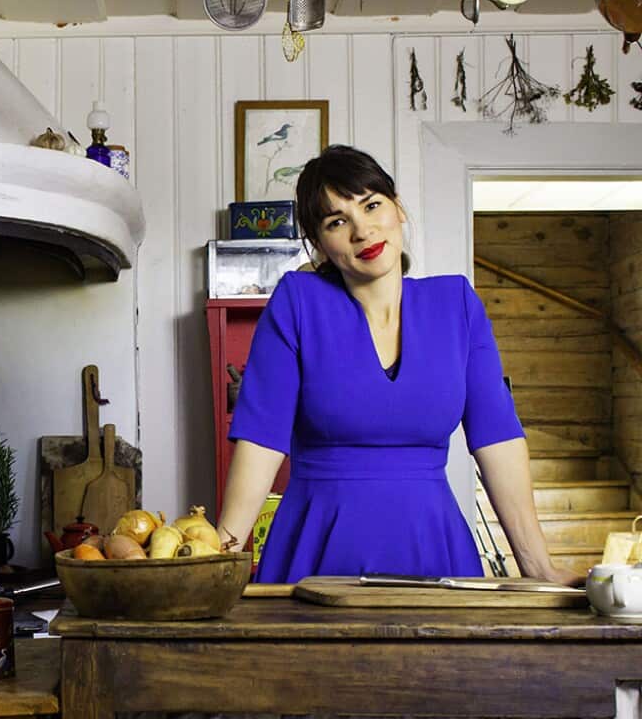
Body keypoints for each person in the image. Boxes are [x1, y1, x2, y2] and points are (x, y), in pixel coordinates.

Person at [215, 144, 581, 586]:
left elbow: (498, 440)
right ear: (319, 246)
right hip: (315, 554)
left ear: (398, 208)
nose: (362, 231)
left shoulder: (457, 305)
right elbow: (261, 442)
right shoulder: (296, 302)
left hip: (434, 551)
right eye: (337, 221)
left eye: (372, 205)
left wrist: (538, 567)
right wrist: (218, 560)